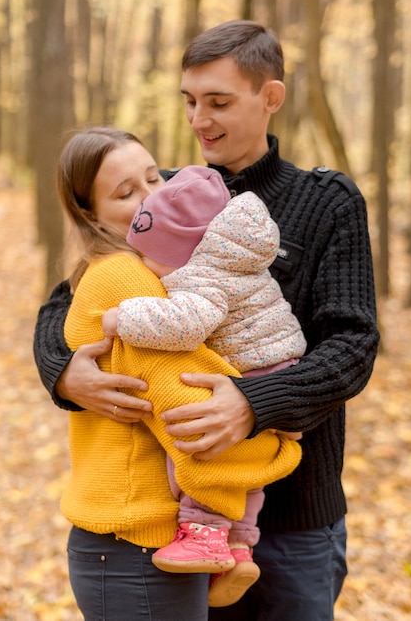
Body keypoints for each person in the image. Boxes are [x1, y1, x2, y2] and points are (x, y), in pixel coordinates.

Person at [33, 20, 380, 621]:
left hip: (295, 514)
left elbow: (353, 344)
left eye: (218, 102)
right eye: (190, 102)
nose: (199, 120)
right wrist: (65, 374)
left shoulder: (327, 200)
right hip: (182, 521)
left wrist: (254, 402)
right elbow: (67, 300)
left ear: (269, 97)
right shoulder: (159, 196)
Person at [45, 126, 302, 620]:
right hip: (134, 544)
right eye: (125, 193)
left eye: (153, 178)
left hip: (143, 542)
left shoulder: (156, 269)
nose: (152, 199)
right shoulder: (125, 277)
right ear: (89, 215)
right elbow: (197, 416)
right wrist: (280, 436)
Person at [101, 164, 306, 605]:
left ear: (178, 251)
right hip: (283, 366)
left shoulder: (201, 276)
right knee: (249, 474)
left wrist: (125, 318)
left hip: (256, 371)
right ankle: (240, 545)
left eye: (147, 255)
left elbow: (186, 324)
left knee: (203, 448)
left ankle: (204, 533)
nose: (143, 266)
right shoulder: (235, 258)